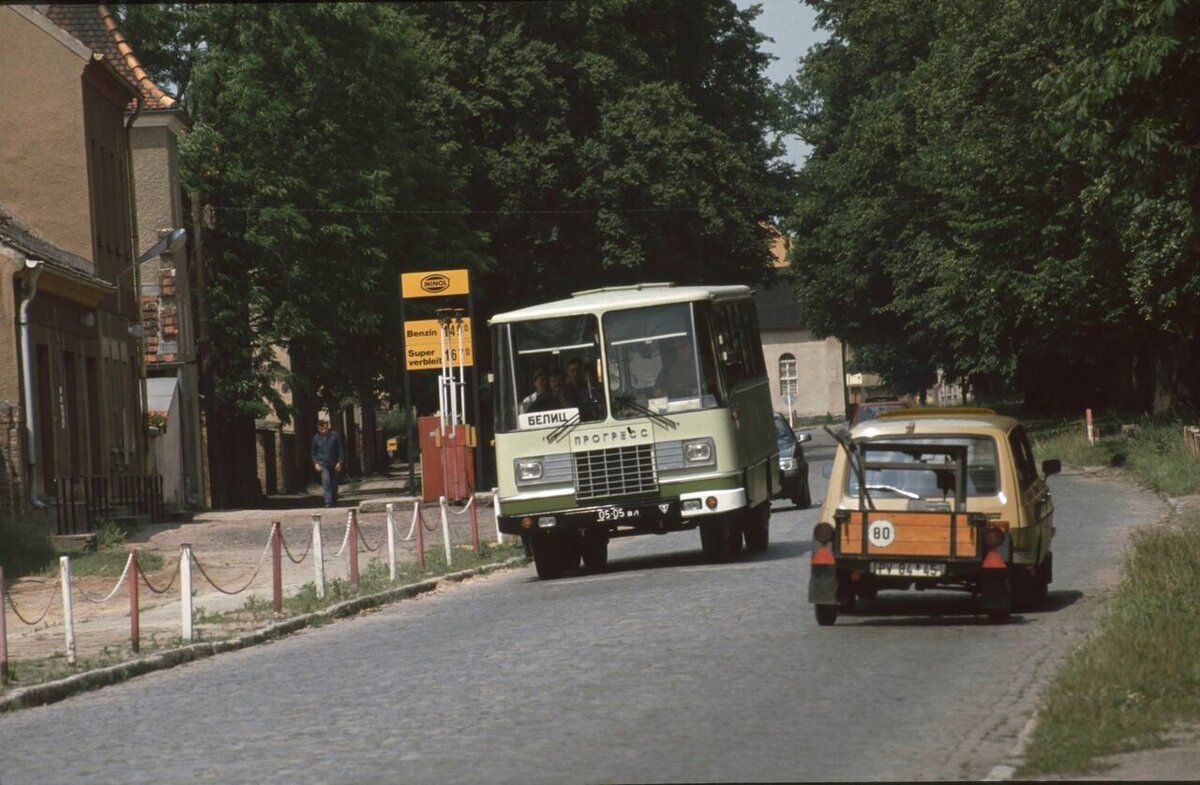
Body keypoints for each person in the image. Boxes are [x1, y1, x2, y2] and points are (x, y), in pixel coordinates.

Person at [311, 417, 345, 508]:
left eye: (324, 427)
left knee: (334, 483)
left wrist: (340, 462)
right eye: (321, 428)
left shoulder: (334, 436)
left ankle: (334, 499)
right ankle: (328, 501)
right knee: (326, 481)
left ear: (328, 426)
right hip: (323, 464)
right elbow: (313, 453)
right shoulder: (316, 438)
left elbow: (340, 450)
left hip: (334, 464)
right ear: (318, 428)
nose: (323, 429)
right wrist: (316, 463)